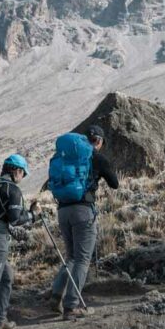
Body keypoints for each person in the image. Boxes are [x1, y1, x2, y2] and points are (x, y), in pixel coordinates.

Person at [47, 126, 119, 319]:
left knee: (71, 256)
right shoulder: (95, 157)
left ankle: (56, 296)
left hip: (63, 210)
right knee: (82, 259)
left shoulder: (64, 157)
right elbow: (115, 183)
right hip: (83, 211)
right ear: (99, 141)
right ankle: (71, 306)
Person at [0, 155, 31, 329]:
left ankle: (0, 323)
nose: (22, 177)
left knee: (6, 276)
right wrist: (32, 215)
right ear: (17, 171)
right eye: (23, 173)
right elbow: (15, 219)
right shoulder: (12, 189)